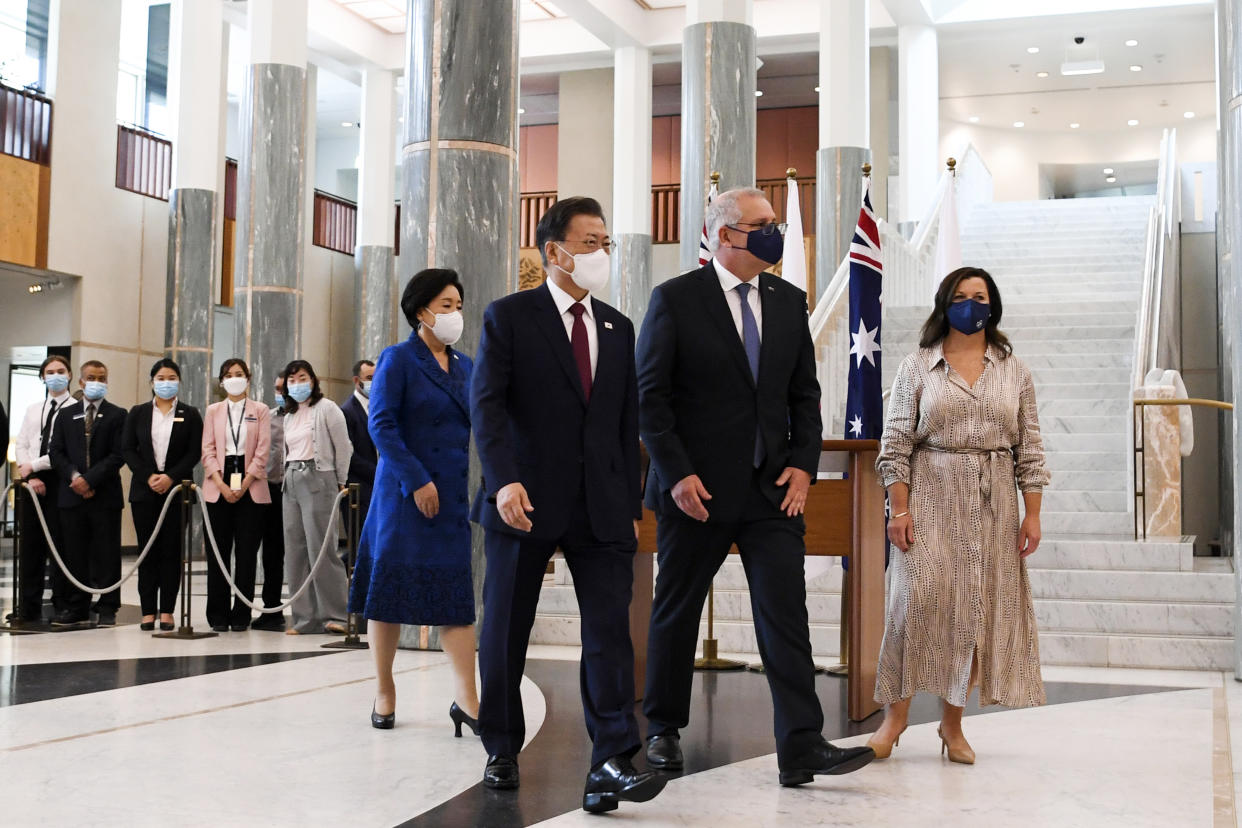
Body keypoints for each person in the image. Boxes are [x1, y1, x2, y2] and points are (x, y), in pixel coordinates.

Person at [637, 187, 875, 787]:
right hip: (696, 492)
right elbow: (651, 399)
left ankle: (800, 743)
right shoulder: (675, 300)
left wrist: (802, 463)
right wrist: (676, 472)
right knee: (677, 612)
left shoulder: (788, 301)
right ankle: (662, 730)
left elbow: (804, 395)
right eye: (762, 224)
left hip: (771, 490)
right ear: (724, 236)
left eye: (775, 223)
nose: (775, 233)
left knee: (785, 614)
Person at [471, 197, 666, 814]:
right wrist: (503, 481)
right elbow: (489, 409)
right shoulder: (509, 317)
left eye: (605, 241)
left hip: (602, 504)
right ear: (554, 251)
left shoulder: (617, 325)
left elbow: (622, 419)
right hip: (522, 499)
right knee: (506, 628)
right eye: (590, 242)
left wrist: (631, 497)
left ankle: (612, 757)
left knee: (610, 632)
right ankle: (500, 742)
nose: (601, 253)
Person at [867, 266, 1050, 765]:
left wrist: (1031, 515)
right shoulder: (917, 366)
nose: (971, 304)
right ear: (945, 303)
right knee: (913, 607)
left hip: (993, 504)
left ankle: (953, 727)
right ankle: (894, 718)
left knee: (973, 613)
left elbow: (1030, 449)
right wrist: (898, 508)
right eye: (961, 296)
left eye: (980, 296)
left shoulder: (1014, 370)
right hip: (929, 494)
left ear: (993, 305)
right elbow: (895, 446)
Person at [348, 270, 479, 735]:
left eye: (458, 303)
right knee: (386, 596)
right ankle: (385, 689)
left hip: (451, 498)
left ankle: (468, 699)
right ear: (420, 310)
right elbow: (381, 426)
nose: (454, 313)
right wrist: (418, 480)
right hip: (404, 495)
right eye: (445, 304)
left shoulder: (466, 366)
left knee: (455, 599)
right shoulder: (398, 359)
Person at [122, 358, 203, 632]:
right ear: (152, 382)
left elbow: (194, 452)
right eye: (161, 378)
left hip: (177, 491)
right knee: (147, 552)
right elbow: (128, 449)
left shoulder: (190, 414)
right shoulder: (138, 412)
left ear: (178, 381)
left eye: (171, 377)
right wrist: (148, 475)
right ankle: (147, 611)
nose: (165, 383)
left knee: (171, 551)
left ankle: (167, 610)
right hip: (144, 491)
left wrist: (170, 477)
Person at [48, 360, 127, 627]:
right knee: (74, 553)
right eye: (91, 377)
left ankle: (107, 606)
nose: (97, 381)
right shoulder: (66, 414)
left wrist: (90, 480)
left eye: (102, 378)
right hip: (71, 496)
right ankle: (77, 606)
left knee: (106, 553)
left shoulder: (118, 415)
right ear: (80, 382)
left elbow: (118, 454)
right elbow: (56, 451)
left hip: (104, 496)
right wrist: (75, 477)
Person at [280, 359, 352, 635]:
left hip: (319, 477)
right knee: (295, 551)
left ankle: (336, 615)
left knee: (321, 549)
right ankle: (304, 618)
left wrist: (340, 482)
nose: (298, 384)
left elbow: (343, 447)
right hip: (292, 479)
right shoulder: (288, 415)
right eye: (292, 380)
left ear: (313, 380)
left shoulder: (326, 409)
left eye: (302, 378)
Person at [201, 359, 272, 633]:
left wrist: (244, 483)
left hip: (251, 483)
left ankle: (241, 613)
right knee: (217, 552)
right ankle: (217, 613)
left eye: (239, 374)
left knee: (246, 554)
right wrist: (220, 483)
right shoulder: (213, 410)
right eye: (229, 375)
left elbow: (263, 451)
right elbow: (207, 450)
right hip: (218, 481)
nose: (234, 378)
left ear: (248, 378)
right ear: (221, 381)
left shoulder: (260, 410)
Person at [10, 355, 77, 624]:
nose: (55, 376)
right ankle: (28, 604)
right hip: (31, 483)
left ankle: (62, 603)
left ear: (70, 375)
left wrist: (33, 467)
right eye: (50, 372)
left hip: (59, 481)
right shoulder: (33, 408)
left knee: (59, 545)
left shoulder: (75, 408)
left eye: (61, 371)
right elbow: (22, 443)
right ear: (42, 377)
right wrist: (29, 474)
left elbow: (62, 451)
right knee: (30, 547)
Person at [253, 371, 288, 631]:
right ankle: (271, 607)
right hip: (271, 489)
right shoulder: (269, 417)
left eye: (283, 387)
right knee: (272, 552)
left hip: (298, 490)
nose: (280, 392)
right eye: (276, 388)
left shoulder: (312, 415)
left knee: (301, 552)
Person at [340, 359, 377, 537]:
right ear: (357, 381)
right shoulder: (347, 412)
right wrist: (378, 473)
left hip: (380, 488)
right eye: (369, 378)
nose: (374, 382)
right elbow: (349, 455)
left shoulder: (380, 407)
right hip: (359, 490)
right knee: (360, 543)